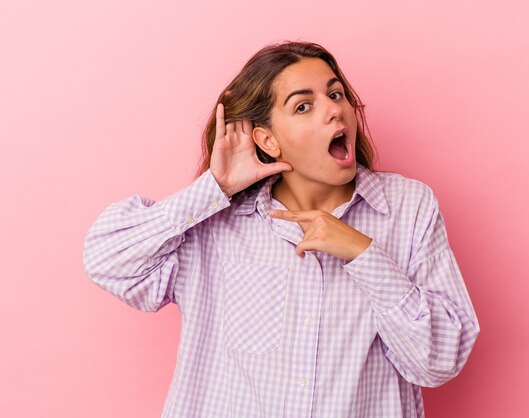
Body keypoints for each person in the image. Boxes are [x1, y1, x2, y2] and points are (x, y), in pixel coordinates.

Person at [82, 40, 480, 418]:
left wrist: (364, 254)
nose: (333, 111)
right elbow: (107, 261)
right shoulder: (214, 224)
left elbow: (439, 361)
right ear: (267, 140)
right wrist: (213, 190)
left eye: (336, 94)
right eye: (304, 106)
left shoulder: (408, 207)